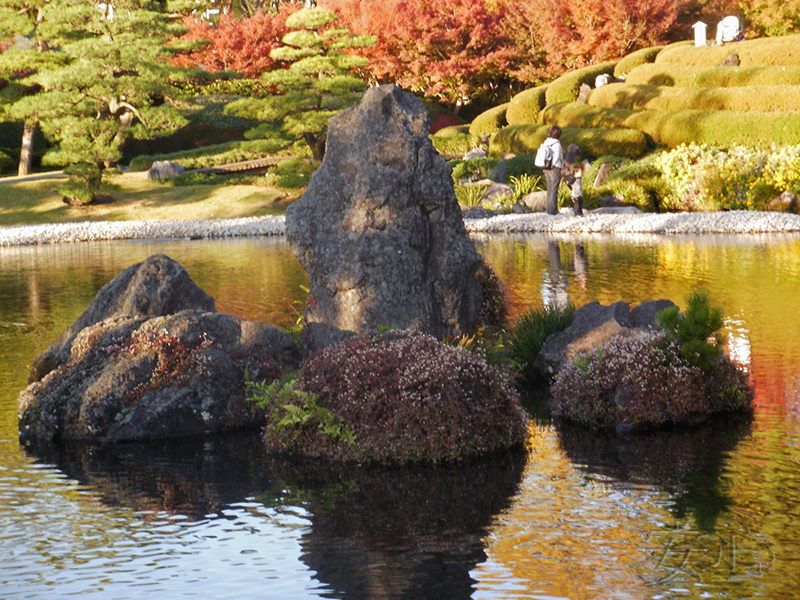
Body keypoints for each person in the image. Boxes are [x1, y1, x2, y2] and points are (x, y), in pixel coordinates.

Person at [542, 125, 564, 215]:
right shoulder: (557, 144)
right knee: (554, 189)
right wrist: (551, 166)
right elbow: (557, 157)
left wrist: (545, 167)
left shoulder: (545, 143)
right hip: (554, 168)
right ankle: (553, 210)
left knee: (549, 189)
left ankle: (549, 210)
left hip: (546, 168)